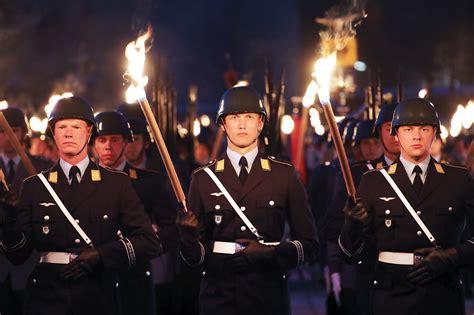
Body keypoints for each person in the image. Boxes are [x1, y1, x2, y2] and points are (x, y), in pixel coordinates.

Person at [0, 96, 161, 315]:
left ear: (89, 133)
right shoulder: (35, 186)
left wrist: (101, 255)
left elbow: (149, 242)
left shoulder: (115, 183)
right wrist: (9, 218)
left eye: (76, 126)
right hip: (47, 297)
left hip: (98, 293)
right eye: (61, 127)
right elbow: (18, 255)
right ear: (53, 134)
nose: (68, 133)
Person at [177, 86, 319, 315]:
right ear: (223, 125)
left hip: (268, 295)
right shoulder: (203, 179)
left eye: (249, 117)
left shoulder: (284, 175)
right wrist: (187, 238)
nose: (242, 124)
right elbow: (196, 257)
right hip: (219, 297)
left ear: (260, 123)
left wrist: (273, 253)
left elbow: (310, 245)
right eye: (234, 117)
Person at [339, 98, 474, 315]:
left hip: (442, 295)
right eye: (408, 129)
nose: (417, 136)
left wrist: (453, 257)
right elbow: (351, 255)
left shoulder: (458, 179)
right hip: (391, 298)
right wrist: (352, 226)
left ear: (435, 133)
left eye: (424, 128)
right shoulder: (373, 181)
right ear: (395, 135)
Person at [92, 111, 178, 315]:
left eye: (115, 140)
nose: (108, 146)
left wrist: (149, 243)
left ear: (125, 142)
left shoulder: (148, 182)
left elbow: (172, 228)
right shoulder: (81, 182)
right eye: (101, 140)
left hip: (135, 276)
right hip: (95, 277)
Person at [0, 107, 53, 315]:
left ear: (23, 133)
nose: (6, 137)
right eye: (1, 131)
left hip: (28, 264)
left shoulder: (41, 168)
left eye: (12, 130)